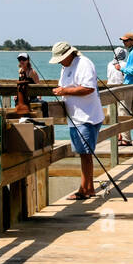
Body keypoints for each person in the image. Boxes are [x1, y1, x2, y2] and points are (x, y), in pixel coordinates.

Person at [50, 41, 104, 200]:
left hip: (87, 117)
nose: (59, 61)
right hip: (74, 117)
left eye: (60, 58)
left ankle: (85, 190)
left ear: (68, 54)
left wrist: (65, 91)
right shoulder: (65, 67)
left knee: (85, 154)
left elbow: (88, 88)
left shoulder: (84, 64)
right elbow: (63, 87)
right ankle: (87, 188)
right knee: (83, 153)